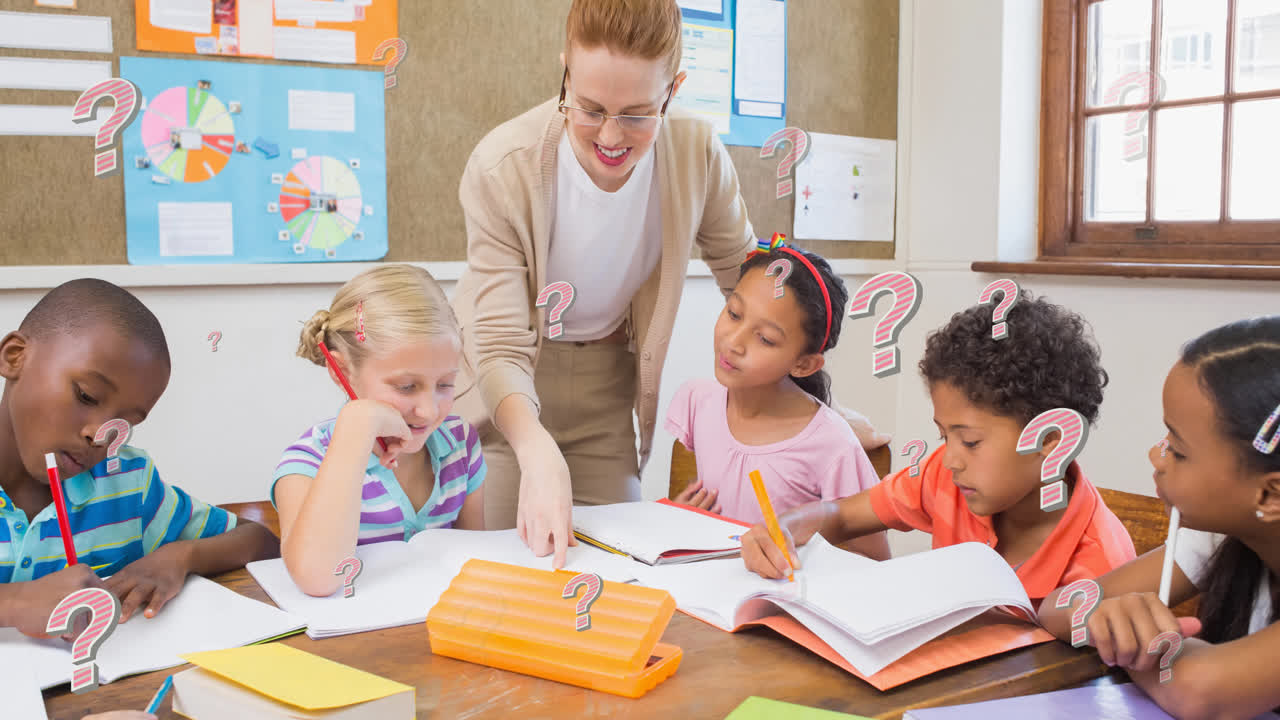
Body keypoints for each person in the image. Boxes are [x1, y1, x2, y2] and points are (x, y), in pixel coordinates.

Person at [451, 0, 888, 567]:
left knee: (616, 566)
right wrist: (536, 453)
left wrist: (819, 409)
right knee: (509, 569)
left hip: (606, 382)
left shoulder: (694, 152)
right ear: (565, 69)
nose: (610, 136)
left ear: (673, 90)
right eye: (588, 108)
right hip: (507, 387)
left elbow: (751, 278)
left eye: (636, 114)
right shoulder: (501, 166)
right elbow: (502, 343)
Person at [740, 292, 1136, 603]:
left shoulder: (1099, 563)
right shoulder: (944, 478)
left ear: (1051, 440)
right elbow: (841, 515)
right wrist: (786, 528)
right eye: (944, 436)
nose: (950, 458)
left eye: (971, 441)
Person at [0, 279, 278, 637]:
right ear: (14, 357)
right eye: (87, 396)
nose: (99, 436)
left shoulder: (128, 485)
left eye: (124, 424)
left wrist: (179, 558)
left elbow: (260, 540)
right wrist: (15, 602)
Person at [1039, 316, 1280, 719]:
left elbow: (1200, 692)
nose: (1156, 455)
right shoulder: (1223, 536)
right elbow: (1057, 608)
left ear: (1270, 494)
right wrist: (1105, 615)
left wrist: (1152, 649)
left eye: (1179, 451)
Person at [665, 241, 888, 560]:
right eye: (734, 313)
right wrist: (677, 520)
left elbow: (875, 561)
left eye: (765, 339)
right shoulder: (697, 401)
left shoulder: (832, 444)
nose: (734, 342)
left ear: (804, 364)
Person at [272, 265, 486, 597]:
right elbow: (317, 578)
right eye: (405, 386)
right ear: (341, 370)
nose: (429, 411)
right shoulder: (307, 462)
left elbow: (473, 562)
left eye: (445, 383)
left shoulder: (460, 445)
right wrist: (355, 430)